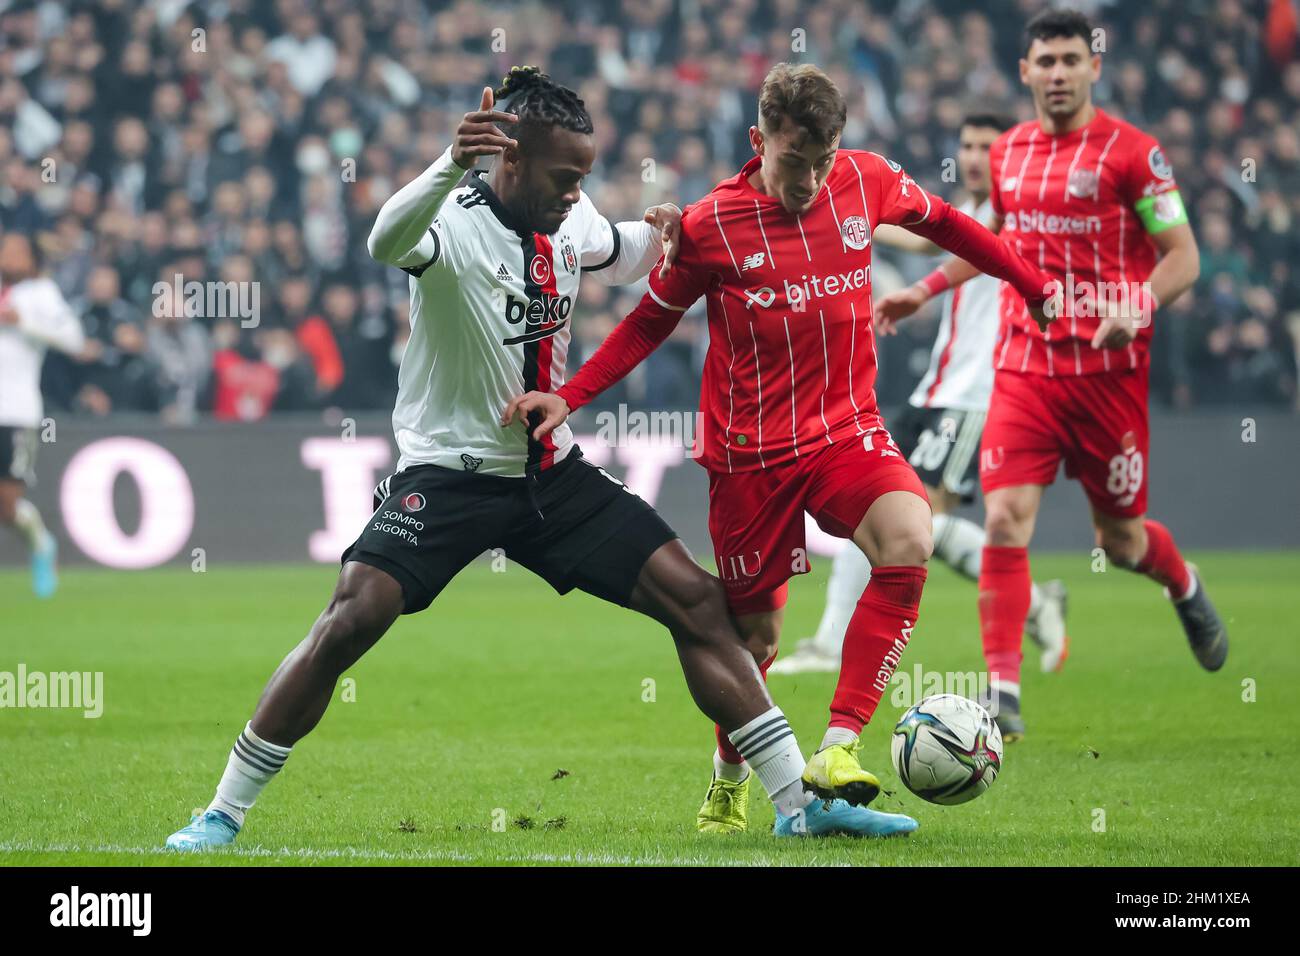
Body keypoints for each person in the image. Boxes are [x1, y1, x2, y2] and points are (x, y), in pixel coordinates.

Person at [165, 68, 915, 850]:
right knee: (352, 618)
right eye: (564, 178)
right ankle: (223, 810)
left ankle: (799, 802)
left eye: (584, 177)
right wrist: (448, 162)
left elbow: (619, 253)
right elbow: (384, 239)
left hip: (551, 475)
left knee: (697, 604)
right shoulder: (449, 219)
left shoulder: (570, 213)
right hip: (449, 476)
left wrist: (662, 231)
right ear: (509, 161)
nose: (574, 192)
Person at [505, 63, 1057, 833]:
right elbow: (648, 324)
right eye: (797, 161)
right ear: (760, 140)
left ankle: (838, 746)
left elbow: (953, 228)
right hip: (748, 460)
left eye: (824, 159)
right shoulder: (710, 224)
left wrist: (1030, 282)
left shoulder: (867, 182)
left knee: (908, 537)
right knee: (754, 638)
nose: (812, 178)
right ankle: (728, 780)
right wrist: (571, 394)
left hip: (845, 430)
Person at [875, 9, 1225, 741]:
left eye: (1072, 59)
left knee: (1118, 544)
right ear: (1026, 72)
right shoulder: (1008, 153)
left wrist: (1142, 299)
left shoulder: (1136, 155)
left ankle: (1183, 585)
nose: (1060, 73)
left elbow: (1184, 256)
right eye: (1047, 62)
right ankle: (1003, 692)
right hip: (1025, 367)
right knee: (1003, 519)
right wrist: (924, 290)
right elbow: (996, 245)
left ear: (1094, 67)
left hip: (1109, 375)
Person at [773, 114, 1068, 677]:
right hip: (938, 384)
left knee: (918, 516)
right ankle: (831, 641)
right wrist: (832, 206)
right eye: (968, 145)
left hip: (979, 390)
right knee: (873, 504)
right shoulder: (976, 211)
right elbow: (918, 235)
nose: (976, 156)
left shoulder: (1019, 210)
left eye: (988, 146)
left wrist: (918, 290)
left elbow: (974, 252)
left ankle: (1033, 600)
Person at [0, 231, 84, 598]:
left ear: (33, 259)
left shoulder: (40, 295)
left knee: (6, 504)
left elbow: (75, 340)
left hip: (16, 411)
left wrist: (23, 322)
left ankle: (41, 544)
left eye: (19, 250)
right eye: (6, 249)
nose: (11, 256)